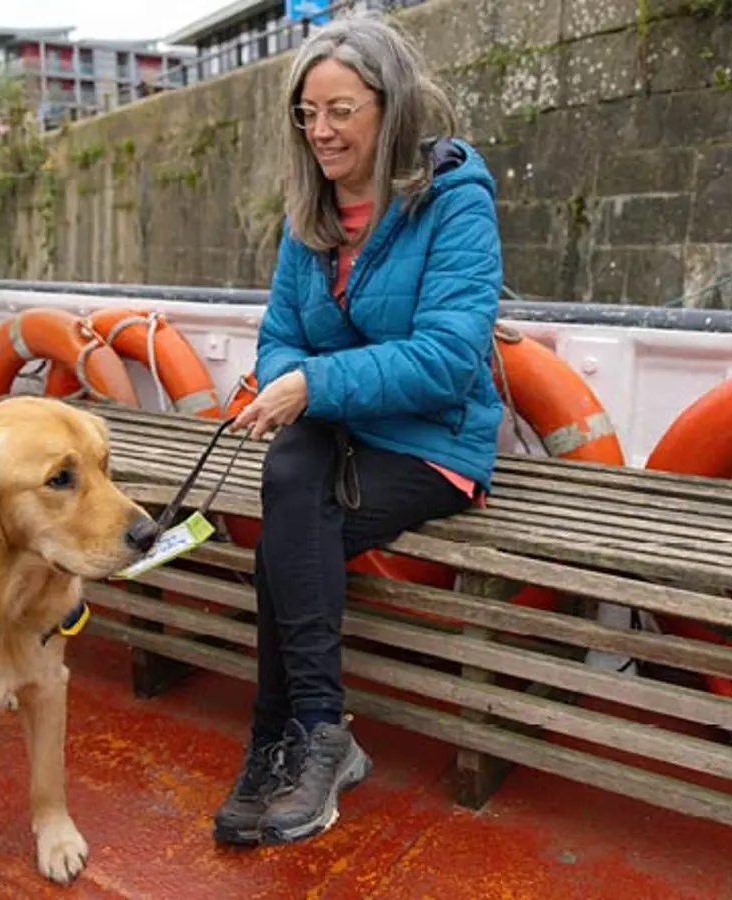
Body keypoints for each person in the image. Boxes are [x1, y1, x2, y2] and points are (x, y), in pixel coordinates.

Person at [216, 15, 505, 847]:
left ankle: (284, 736)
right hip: (340, 428)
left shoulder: (452, 201)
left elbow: (451, 357)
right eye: (308, 115)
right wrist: (290, 379)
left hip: (429, 439)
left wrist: (314, 382)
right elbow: (279, 337)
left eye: (340, 110)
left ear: (391, 107)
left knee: (291, 520)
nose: (321, 132)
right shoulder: (308, 214)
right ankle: (309, 738)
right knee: (290, 484)